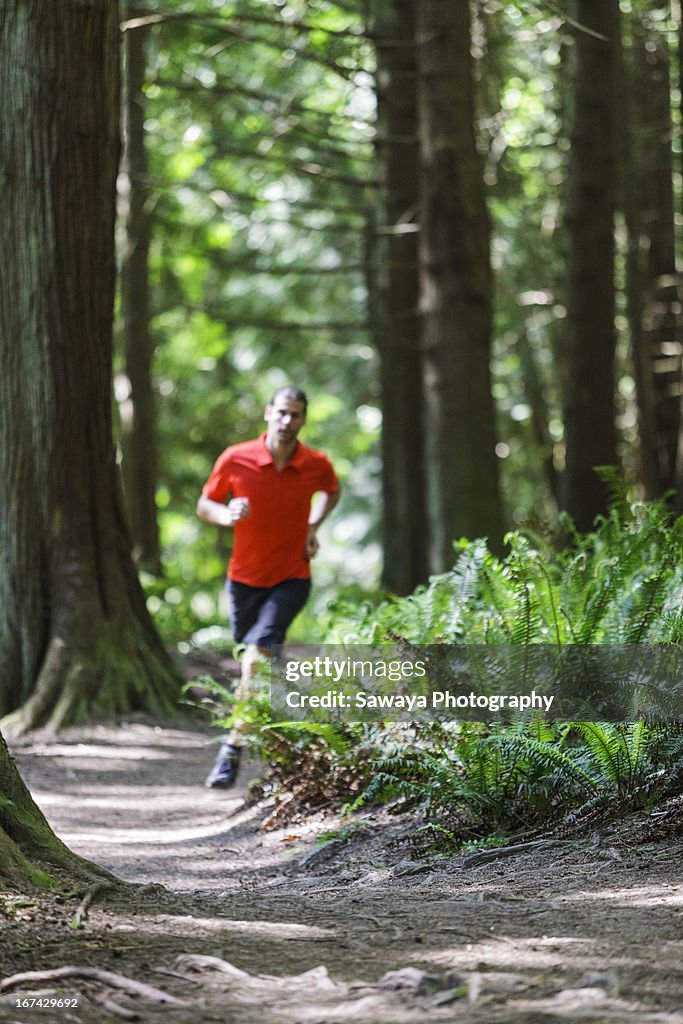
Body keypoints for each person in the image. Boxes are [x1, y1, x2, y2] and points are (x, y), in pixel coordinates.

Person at [197, 385, 340, 788]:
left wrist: (313, 526)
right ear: (267, 413)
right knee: (255, 660)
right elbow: (204, 504)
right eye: (281, 412)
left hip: (292, 576)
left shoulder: (315, 463)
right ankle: (282, 730)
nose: (286, 420)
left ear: (303, 420)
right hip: (243, 580)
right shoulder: (236, 457)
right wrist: (227, 514)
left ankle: (232, 750)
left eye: (295, 414)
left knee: (257, 657)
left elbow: (332, 489)